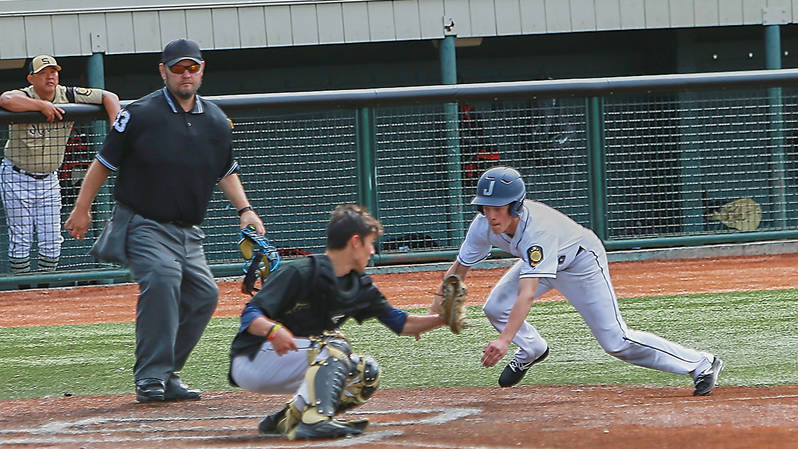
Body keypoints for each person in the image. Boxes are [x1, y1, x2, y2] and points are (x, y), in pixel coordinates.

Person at [64, 38, 264, 403]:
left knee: (203, 295)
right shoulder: (140, 113)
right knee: (163, 279)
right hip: (143, 222)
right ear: (163, 71)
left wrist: (245, 211)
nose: (185, 74)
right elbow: (103, 162)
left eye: (192, 67)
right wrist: (82, 207)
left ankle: (166, 373)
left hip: (189, 231)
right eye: (177, 68)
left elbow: (226, 171)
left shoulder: (217, 121)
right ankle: (150, 378)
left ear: (202, 69)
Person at [431, 166, 724, 396]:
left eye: (498, 207)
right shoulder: (483, 224)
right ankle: (532, 349)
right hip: (540, 262)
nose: (491, 215)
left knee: (615, 340)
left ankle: (701, 363)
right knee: (495, 307)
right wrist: (435, 309)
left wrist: (504, 339)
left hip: (581, 261)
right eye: (485, 207)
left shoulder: (538, 231)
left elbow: (527, 293)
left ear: (516, 206)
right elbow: (459, 269)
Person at [228, 204, 445, 440]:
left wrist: (443, 319)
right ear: (355, 241)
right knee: (334, 346)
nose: (372, 251)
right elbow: (250, 315)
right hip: (255, 358)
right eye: (370, 243)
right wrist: (274, 330)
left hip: (298, 357)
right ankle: (316, 421)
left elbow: (401, 323)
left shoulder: (359, 285)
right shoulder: (301, 272)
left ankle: (287, 418)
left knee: (364, 372)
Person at [0, 55, 120, 274]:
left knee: (52, 241)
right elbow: (5, 100)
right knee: (21, 240)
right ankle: (25, 294)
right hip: (17, 176)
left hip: (48, 178)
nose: (50, 76)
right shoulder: (24, 94)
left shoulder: (69, 93)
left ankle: (46, 291)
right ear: (31, 78)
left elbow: (109, 97)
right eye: (43, 72)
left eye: (53, 71)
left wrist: (116, 128)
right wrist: (40, 105)